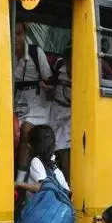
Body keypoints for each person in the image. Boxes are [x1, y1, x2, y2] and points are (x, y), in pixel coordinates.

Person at [13, 21, 53, 182]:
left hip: (36, 104)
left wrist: (47, 86)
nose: (16, 38)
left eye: (19, 33)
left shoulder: (36, 53)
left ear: (25, 34)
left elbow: (49, 80)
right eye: (13, 34)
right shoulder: (4, 53)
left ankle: (20, 180)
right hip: (15, 101)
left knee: (26, 132)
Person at [49, 47, 72, 179]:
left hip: (71, 112)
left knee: (64, 148)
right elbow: (51, 82)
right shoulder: (59, 66)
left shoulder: (82, 69)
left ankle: (67, 180)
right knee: (54, 144)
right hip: (55, 109)